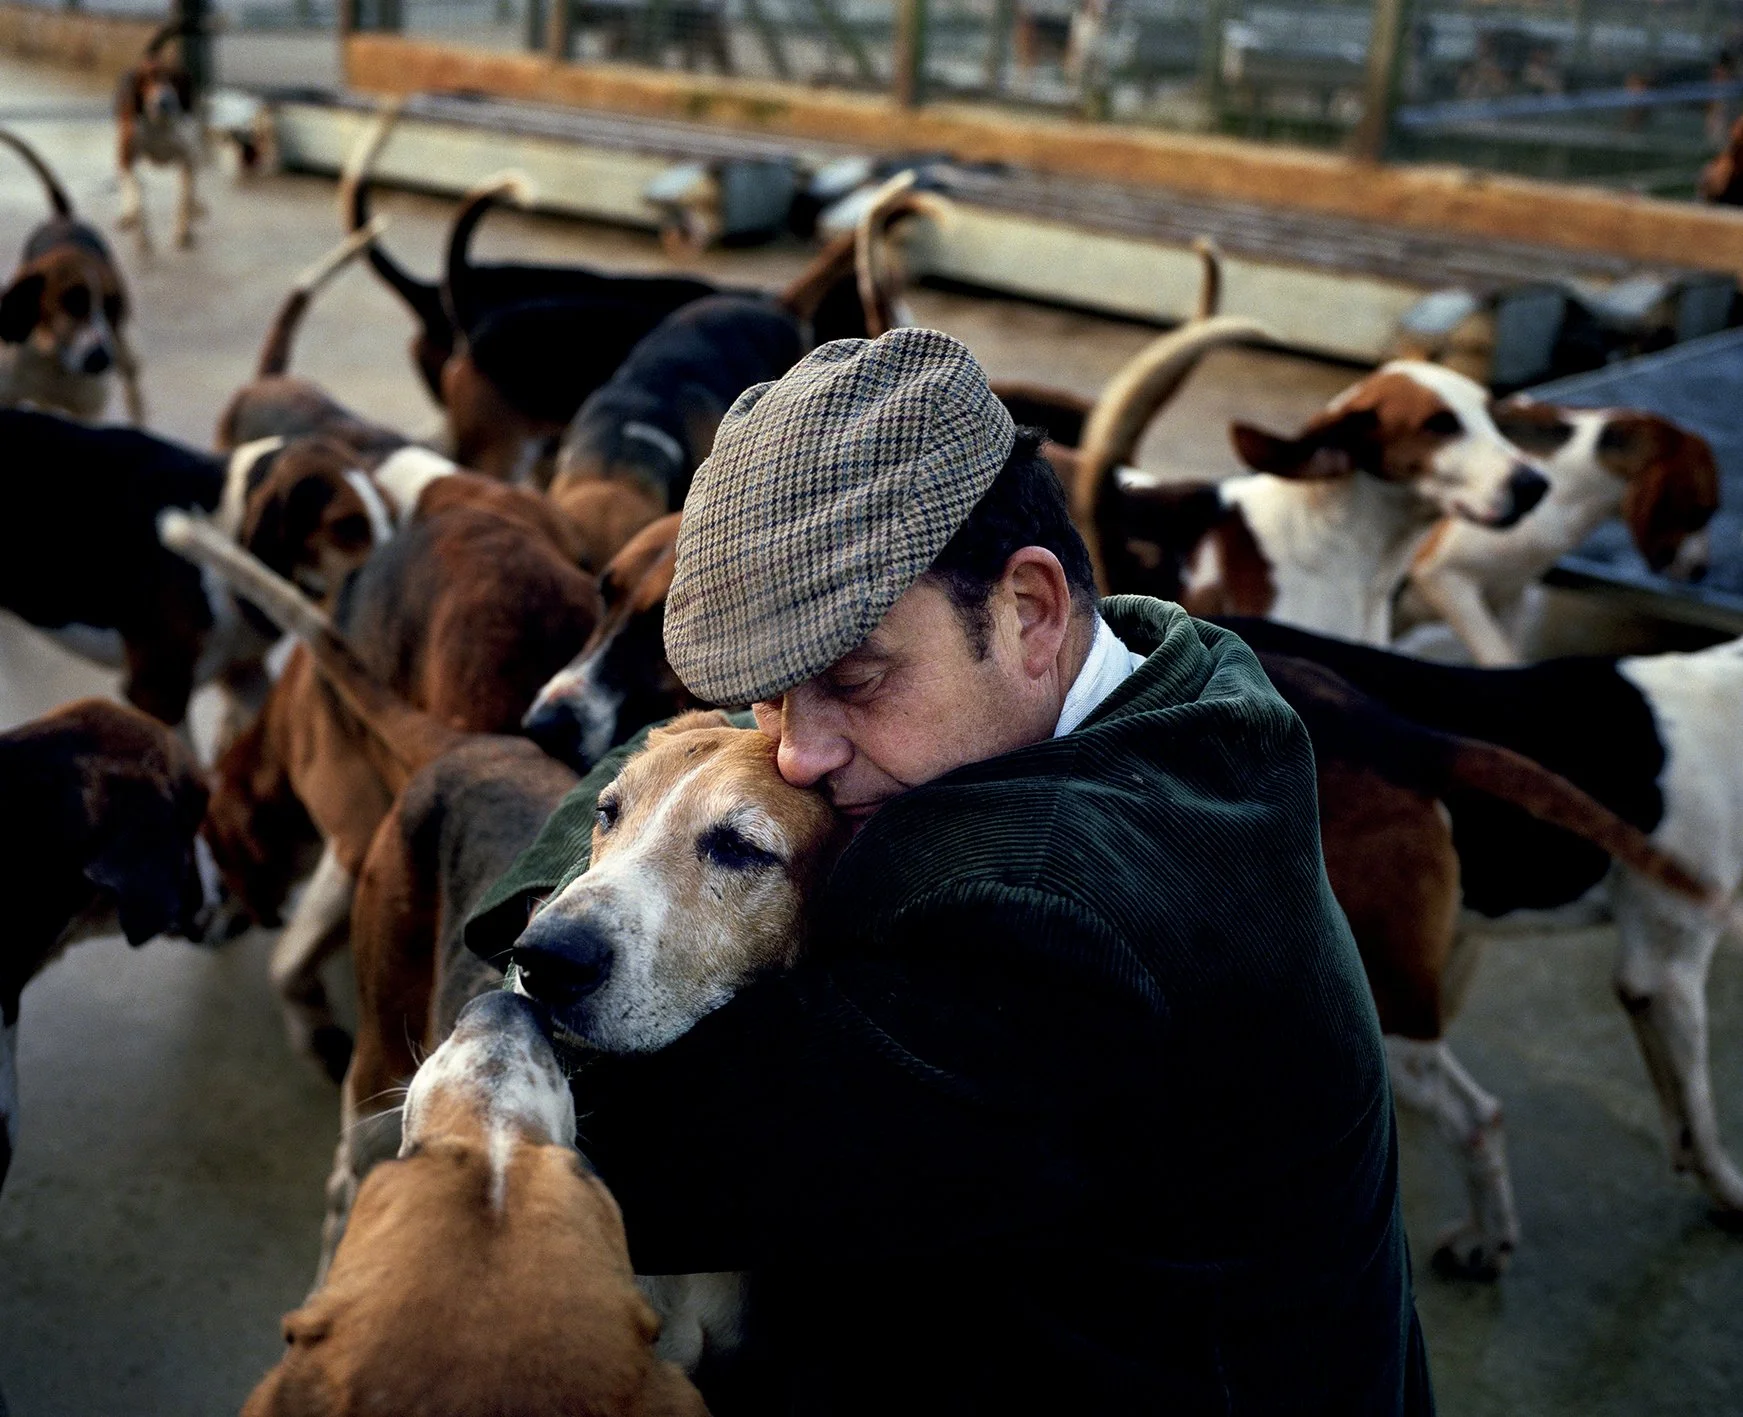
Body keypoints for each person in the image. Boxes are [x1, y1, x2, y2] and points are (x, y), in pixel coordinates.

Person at [467, 328, 1432, 1415]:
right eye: (770, 696)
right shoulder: (1176, 674)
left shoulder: (1041, 912)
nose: (794, 752)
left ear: (1029, 608)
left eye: (855, 676)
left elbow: (586, 1146)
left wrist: (539, 919)